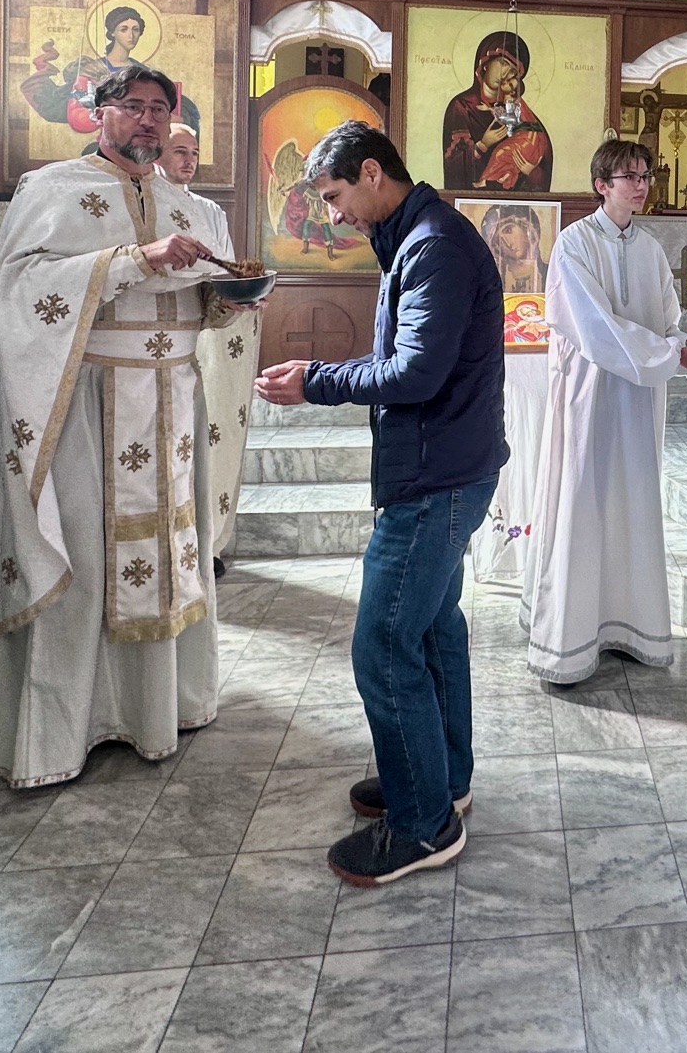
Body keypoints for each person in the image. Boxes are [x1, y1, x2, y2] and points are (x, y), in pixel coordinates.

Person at [0, 65, 242, 788]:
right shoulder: (50, 191)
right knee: (84, 557)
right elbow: (17, 290)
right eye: (133, 107)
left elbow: (206, 303)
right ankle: (69, 728)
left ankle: (162, 707)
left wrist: (233, 298)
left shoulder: (195, 208)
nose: (147, 120)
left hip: (173, 404)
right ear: (98, 112)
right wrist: (131, 259)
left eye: (159, 108)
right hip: (85, 404)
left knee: (175, 555)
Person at [255, 121, 507, 887]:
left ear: (371, 173)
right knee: (432, 626)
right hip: (448, 466)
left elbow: (417, 373)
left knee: (382, 643)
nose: (333, 214)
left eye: (334, 196)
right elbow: (407, 357)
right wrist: (329, 373)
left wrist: (318, 380)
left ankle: (424, 823)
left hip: (435, 479)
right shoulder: (417, 234)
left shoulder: (431, 244)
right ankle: (443, 782)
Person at [524, 142, 687, 684]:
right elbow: (594, 328)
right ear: (601, 184)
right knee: (585, 501)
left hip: (639, 402)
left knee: (633, 502)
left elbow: (667, 322)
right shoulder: (573, 244)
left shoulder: (649, 249)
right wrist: (673, 355)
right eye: (628, 176)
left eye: (646, 175)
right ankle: (570, 641)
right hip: (590, 397)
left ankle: (631, 628)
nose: (640, 185)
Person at [158, 123, 258, 579]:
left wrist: (241, 294)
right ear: (156, 151)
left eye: (194, 152)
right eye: (180, 150)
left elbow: (227, 272)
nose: (190, 160)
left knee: (209, 437)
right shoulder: (143, 204)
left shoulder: (210, 211)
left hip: (211, 341)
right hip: (158, 344)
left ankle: (209, 539)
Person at [442, 30, 552, 191]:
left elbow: (543, 163)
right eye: (503, 63)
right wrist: (482, 145)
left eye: (514, 71)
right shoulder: (461, 107)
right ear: (485, 63)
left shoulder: (518, 112)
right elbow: (453, 167)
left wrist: (531, 172)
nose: (507, 73)